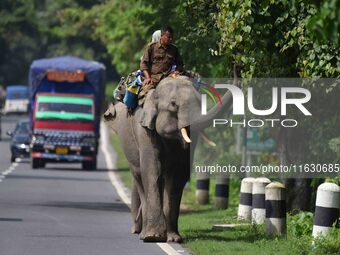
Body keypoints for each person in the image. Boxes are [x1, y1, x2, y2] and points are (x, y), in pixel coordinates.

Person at [139, 26, 184, 100]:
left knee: (183, 89)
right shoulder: (151, 47)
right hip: (154, 78)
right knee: (145, 94)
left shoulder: (174, 49)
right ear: (162, 36)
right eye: (168, 37)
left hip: (170, 77)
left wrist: (176, 72)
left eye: (172, 37)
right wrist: (147, 78)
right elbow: (144, 64)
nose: (170, 39)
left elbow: (180, 64)